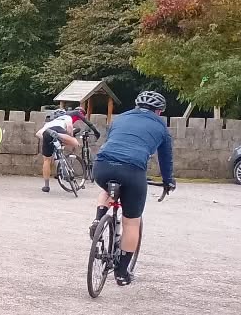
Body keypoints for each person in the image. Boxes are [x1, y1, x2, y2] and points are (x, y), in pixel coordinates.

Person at [90, 89, 175, 286]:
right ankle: (121, 273)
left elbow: (112, 142)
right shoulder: (161, 127)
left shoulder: (119, 119)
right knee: (131, 223)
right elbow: (165, 159)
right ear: (159, 112)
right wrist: (168, 181)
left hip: (102, 167)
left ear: (136, 106)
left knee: (107, 189)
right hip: (132, 171)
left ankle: (98, 218)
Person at [38, 106, 101, 193]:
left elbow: (38, 134)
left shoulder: (48, 123)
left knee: (47, 160)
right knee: (76, 143)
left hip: (47, 133)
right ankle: (61, 141)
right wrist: (69, 137)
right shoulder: (67, 117)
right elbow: (70, 129)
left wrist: (48, 140)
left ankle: (46, 186)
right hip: (59, 131)